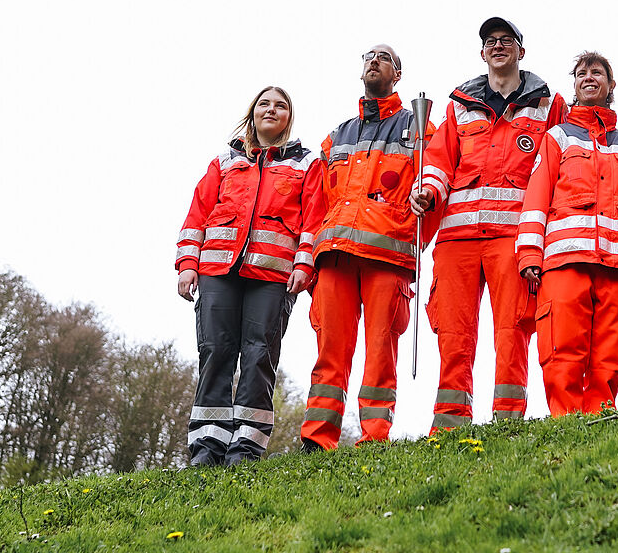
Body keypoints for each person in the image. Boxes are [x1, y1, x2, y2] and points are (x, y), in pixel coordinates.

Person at [412, 16, 565, 430]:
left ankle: (508, 421)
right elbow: (440, 160)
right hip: (457, 236)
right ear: (482, 53)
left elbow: (557, 168)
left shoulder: (549, 104)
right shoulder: (459, 105)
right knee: (453, 332)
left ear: (521, 50)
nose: (498, 46)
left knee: (512, 329)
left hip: (513, 237)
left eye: (506, 40)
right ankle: (449, 423)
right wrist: (427, 190)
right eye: (490, 42)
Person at [174, 86, 323, 465]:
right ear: (252, 112)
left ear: (290, 117)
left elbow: (314, 220)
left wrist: (304, 265)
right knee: (215, 352)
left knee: (259, 356)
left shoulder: (306, 164)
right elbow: (198, 215)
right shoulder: (224, 161)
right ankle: (207, 446)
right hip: (217, 271)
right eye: (264, 104)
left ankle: (246, 447)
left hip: (273, 277)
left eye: (281, 105)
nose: (271, 109)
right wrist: (187, 265)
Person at [299, 45, 432, 449]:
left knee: (380, 351)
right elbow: (315, 202)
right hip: (335, 255)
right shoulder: (336, 135)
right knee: (330, 352)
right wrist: (309, 259)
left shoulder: (420, 128)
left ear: (398, 73)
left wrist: (412, 235)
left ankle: (374, 436)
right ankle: (317, 438)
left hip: (386, 256)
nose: (374, 60)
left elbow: (433, 189)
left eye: (384, 57)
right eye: (368, 56)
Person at [515, 50, 618, 415]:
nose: (589, 77)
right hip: (564, 261)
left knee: (611, 352)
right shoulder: (557, 137)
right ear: (574, 85)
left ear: (610, 85)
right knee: (561, 349)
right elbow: (536, 198)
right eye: (581, 73)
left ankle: (600, 417)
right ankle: (566, 423)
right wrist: (528, 255)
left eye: (597, 72)